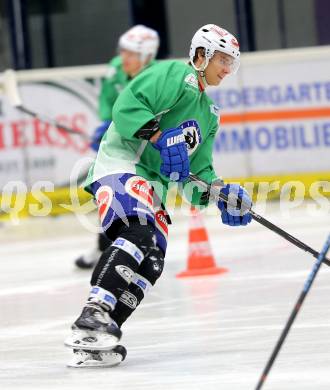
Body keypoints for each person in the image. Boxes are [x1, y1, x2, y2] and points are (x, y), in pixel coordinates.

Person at [65, 24, 252, 367]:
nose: (227, 69)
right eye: (223, 59)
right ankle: (93, 312)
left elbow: (198, 176)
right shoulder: (172, 74)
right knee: (136, 231)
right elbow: (125, 107)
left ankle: (100, 335)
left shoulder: (210, 116)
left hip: (153, 185)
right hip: (121, 163)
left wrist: (222, 193)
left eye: (232, 63)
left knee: (153, 261)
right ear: (201, 55)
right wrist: (156, 136)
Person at [75, 24, 160, 269]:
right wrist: (105, 127)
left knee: (143, 205)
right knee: (112, 196)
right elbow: (108, 103)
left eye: (131, 53)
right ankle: (102, 247)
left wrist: (118, 124)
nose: (123, 57)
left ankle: (138, 244)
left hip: (147, 150)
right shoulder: (115, 70)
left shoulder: (157, 78)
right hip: (121, 149)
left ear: (146, 56)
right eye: (123, 51)